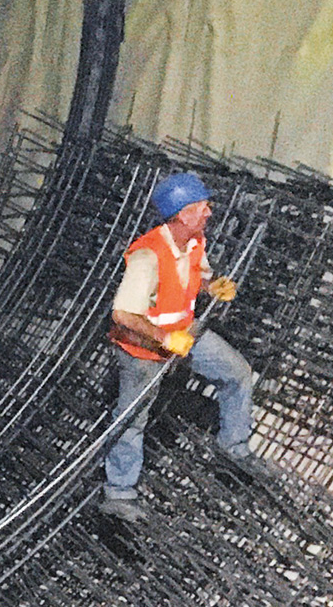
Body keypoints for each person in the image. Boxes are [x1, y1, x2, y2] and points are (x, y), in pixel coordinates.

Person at [101, 171, 269, 522]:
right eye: (201, 206)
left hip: (186, 333)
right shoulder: (148, 256)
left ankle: (234, 448)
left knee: (237, 374)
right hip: (142, 350)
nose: (208, 211)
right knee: (132, 419)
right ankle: (119, 493)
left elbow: (197, 275)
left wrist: (212, 286)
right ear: (181, 213)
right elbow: (123, 315)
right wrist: (164, 340)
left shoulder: (195, 241)